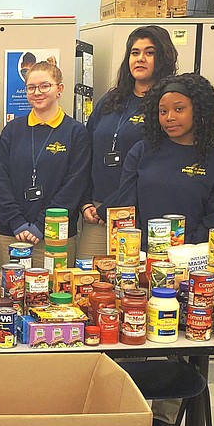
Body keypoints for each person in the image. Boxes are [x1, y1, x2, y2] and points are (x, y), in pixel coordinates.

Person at [99, 73, 214, 426]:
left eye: (179, 109)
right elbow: (126, 205)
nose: (169, 117)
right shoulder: (142, 151)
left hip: (193, 269)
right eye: (162, 110)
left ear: (200, 111)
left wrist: (185, 260)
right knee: (128, 336)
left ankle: (163, 420)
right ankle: (123, 413)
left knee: (177, 343)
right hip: (138, 263)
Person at [77, 25, 178, 259]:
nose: (140, 58)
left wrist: (108, 207)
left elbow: (155, 165)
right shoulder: (111, 100)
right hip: (97, 212)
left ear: (162, 57)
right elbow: (87, 152)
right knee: (85, 278)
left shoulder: (165, 106)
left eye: (149, 52)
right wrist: (85, 202)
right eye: (135, 52)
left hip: (139, 213)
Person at [0, 62, 90, 266]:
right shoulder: (12, 130)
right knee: (10, 295)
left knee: (55, 294)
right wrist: (17, 223)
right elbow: (0, 180)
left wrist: (42, 225)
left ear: (60, 89)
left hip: (55, 237)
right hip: (11, 235)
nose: (37, 92)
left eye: (45, 86)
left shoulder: (75, 132)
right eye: (31, 87)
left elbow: (74, 186)